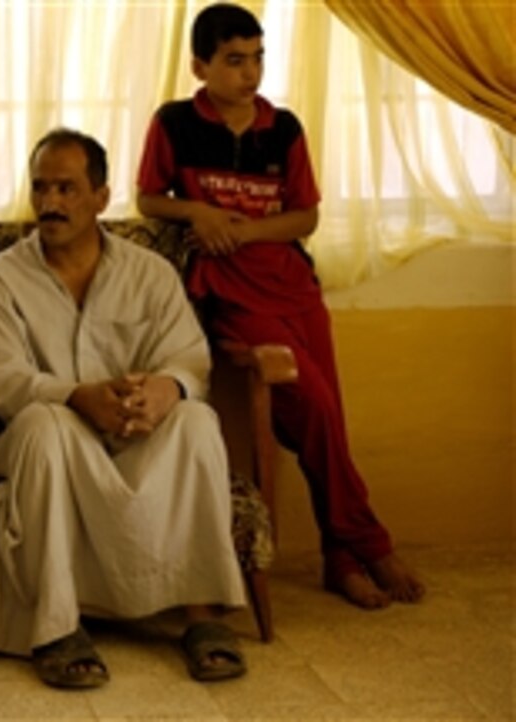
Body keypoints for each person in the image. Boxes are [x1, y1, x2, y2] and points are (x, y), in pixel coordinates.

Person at [135, 3, 425, 610]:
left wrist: (243, 230)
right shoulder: (174, 123)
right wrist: (199, 212)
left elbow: (306, 216)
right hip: (230, 294)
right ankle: (368, 541)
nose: (250, 72)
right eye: (235, 60)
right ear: (200, 65)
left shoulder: (284, 127)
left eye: (258, 58)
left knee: (330, 422)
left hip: (295, 288)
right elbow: (148, 199)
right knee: (313, 406)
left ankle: (338, 559)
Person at [0, 127, 248, 688]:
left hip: (136, 435)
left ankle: (201, 615)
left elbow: (188, 359)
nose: (50, 203)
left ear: (101, 197)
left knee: (196, 419)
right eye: (41, 188)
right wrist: (77, 396)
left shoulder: (151, 274)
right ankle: (55, 627)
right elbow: (4, 381)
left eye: (68, 189)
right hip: (45, 441)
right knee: (47, 424)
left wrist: (166, 390)